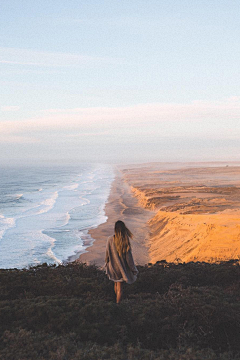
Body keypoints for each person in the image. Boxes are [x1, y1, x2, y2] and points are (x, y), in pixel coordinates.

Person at [105, 220, 138, 303]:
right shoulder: (125, 241)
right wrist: (134, 269)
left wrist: (107, 264)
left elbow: (107, 254)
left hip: (112, 267)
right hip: (121, 269)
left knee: (116, 284)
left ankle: (116, 301)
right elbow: (129, 259)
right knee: (120, 288)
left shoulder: (109, 239)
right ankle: (118, 305)